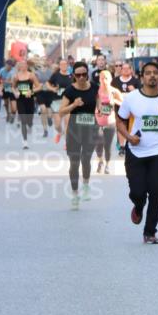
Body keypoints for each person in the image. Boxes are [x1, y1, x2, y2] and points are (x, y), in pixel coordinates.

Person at [116, 61, 158, 243]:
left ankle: (150, 232)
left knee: (157, 193)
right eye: (148, 73)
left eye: (155, 73)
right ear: (142, 77)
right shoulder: (131, 98)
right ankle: (138, 206)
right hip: (136, 151)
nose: (152, 76)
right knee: (138, 192)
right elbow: (120, 121)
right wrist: (128, 137)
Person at [57, 62, 100, 209]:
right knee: (74, 164)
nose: (81, 77)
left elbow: (100, 107)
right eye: (78, 75)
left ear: (87, 74)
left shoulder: (95, 88)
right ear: (74, 76)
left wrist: (101, 117)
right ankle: (75, 194)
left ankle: (86, 186)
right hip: (74, 131)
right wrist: (74, 105)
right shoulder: (70, 91)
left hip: (90, 129)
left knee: (86, 159)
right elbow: (61, 111)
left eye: (83, 74)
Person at [94, 69, 123, 174]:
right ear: (99, 79)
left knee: (107, 145)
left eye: (106, 78)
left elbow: (123, 103)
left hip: (110, 121)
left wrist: (114, 101)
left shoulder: (114, 91)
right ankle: (100, 161)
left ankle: (107, 165)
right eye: (102, 78)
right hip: (97, 121)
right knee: (98, 145)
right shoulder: (96, 91)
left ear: (110, 79)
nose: (104, 80)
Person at [11, 60, 40, 149]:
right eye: (21, 65)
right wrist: (15, 92)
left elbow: (38, 87)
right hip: (20, 100)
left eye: (24, 65)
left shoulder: (31, 75)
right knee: (23, 120)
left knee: (29, 120)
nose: (23, 66)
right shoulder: (16, 76)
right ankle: (25, 142)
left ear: (27, 66)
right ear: (19, 67)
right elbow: (13, 87)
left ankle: (30, 125)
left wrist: (31, 91)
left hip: (29, 99)